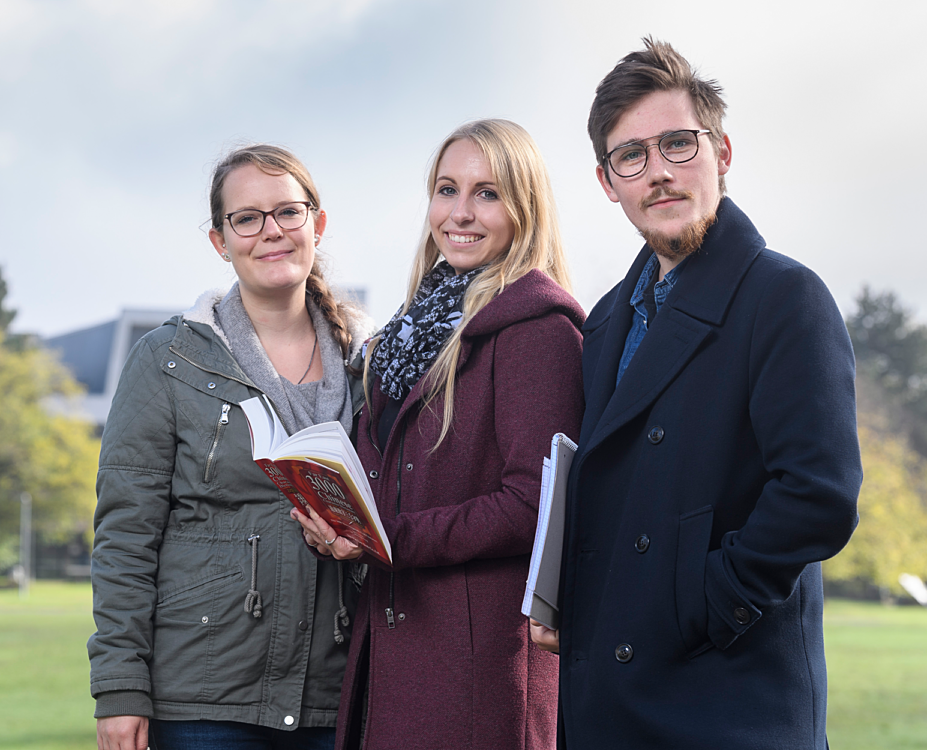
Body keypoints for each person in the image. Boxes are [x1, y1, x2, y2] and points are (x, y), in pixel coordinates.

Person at [530, 38, 863, 749]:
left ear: (722, 153)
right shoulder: (607, 318)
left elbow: (818, 495)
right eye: (633, 156)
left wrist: (700, 606)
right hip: (610, 703)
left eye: (679, 144)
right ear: (606, 180)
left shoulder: (785, 296)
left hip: (727, 703)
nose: (659, 172)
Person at [298, 119, 584, 750]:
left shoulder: (539, 333)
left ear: (524, 209)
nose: (461, 212)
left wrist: (384, 539)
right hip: (393, 643)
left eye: (488, 193)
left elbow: (530, 508)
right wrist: (337, 520)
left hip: (477, 667)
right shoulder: (404, 335)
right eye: (447, 189)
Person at [88, 144, 371, 750]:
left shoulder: (368, 364)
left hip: (337, 688)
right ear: (220, 240)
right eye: (247, 218)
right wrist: (119, 688)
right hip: (203, 693)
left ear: (316, 225)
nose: (271, 231)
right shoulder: (169, 360)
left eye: (288, 212)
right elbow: (125, 537)